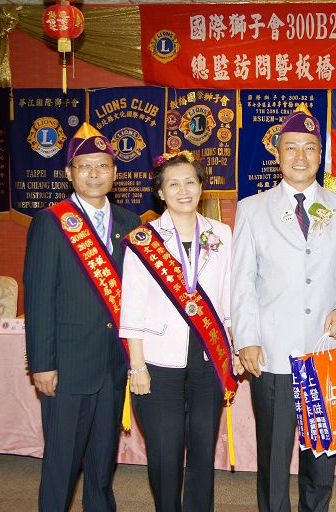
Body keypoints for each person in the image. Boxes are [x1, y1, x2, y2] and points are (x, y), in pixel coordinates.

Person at [231, 104, 336, 512]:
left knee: (321, 460)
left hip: (324, 351)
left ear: (320, 154)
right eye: (291, 147)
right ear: (277, 153)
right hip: (272, 352)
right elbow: (242, 280)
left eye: (309, 148)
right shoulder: (253, 209)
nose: (300, 156)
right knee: (274, 459)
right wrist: (247, 338)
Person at [24, 123, 140, 511]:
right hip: (68, 367)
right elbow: (39, 297)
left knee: (103, 465)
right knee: (62, 463)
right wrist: (42, 364)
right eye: (84, 166)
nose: (94, 174)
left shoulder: (130, 223)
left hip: (113, 364)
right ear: (69, 173)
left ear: (115, 172)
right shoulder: (51, 221)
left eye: (102, 165)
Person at [119, 151, 237, 512]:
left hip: (208, 357)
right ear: (160, 192)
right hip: (158, 360)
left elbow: (228, 297)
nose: (183, 190)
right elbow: (132, 305)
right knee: (165, 452)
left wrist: (233, 347)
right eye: (173, 184)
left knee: (203, 449)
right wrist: (137, 366)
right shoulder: (143, 239)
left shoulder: (221, 233)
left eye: (190, 181)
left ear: (201, 187)